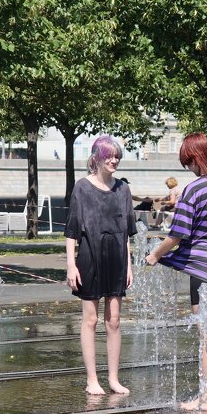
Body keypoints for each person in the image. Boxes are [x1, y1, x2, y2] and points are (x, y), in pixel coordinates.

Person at [145, 132, 207, 411]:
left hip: (204, 271)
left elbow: (177, 234)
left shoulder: (194, 189)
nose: (188, 167)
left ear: (196, 158)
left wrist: (154, 255)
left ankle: (206, 399)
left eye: (188, 162)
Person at [64, 135, 137, 395]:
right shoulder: (82, 187)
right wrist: (71, 265)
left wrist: (128, 265)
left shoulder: (123, 190)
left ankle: (114, 379)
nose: (114, 160)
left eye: (117, 156)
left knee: (114, 320)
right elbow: (72, 230)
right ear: (97, 157)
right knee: (90, 319)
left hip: (117, 257)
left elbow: (127, 233)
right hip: (90, 256)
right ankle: (92, 379)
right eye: (109, 155)